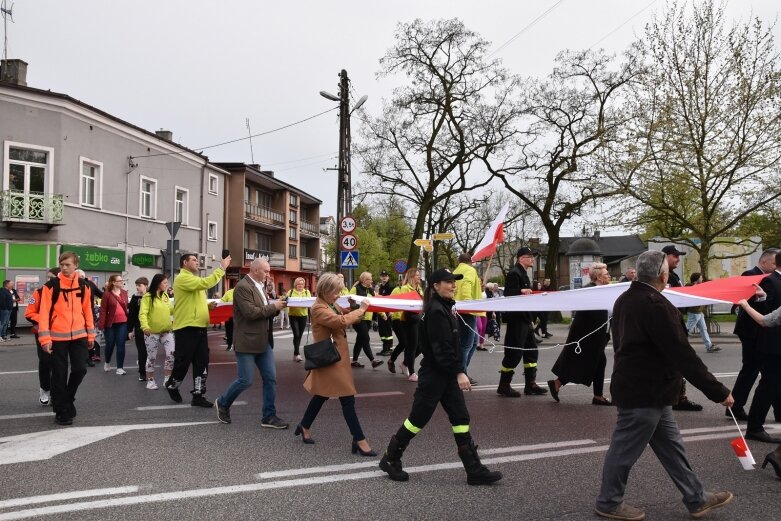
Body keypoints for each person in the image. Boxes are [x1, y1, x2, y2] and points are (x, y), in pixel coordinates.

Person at [594, 250, 734, 521]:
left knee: (673, 449)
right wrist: (718, 391)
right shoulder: (655, 304)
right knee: (623, 451)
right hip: (645, 391)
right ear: (663, 274)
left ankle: (696, 498)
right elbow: (682, 354)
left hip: (647, 389)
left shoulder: (625, 298)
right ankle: (609, 502)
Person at [379, 268, 502, 486]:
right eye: (448, 282)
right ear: (436, 286)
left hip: (445, 376)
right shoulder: (436, 311)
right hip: (435, 376)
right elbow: (442, 349)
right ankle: (390, 458)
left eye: (454, 282)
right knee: (417, 420)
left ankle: (473, 470)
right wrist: (459, 372)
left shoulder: (444, 307)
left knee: (461, 419)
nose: (453, 285)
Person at [294, 273, 376, 455]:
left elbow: (344, 316)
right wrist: (361, 310)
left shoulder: (328, 304)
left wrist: (354, 309)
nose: (338, 295)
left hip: (333, 357)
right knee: (347, 398)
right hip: (331, 359)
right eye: (336, 292)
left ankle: (304, 425)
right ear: (326, 290)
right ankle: (359, 439)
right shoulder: (318, 308)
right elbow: (340, 321)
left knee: (322, 394)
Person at [215, 258, 289, 428]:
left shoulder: (260, 287)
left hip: (264, 341)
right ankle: (223, 403)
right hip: (247, 341)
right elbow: (250, 313)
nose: (268, 274)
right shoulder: (242, 287)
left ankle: (269, 416)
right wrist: (274, 307)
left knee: (270, 379)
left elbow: (263, 312)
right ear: (255, 270)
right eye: (266, 271)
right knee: (245, 380)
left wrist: (278, 307)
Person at [37, 251, 96, 426]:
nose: (64, 267)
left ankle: (67, 399)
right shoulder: (51, 286)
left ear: (76, 265)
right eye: (62, 264)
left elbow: (88, 311)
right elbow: (44, 314)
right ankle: (61, 411)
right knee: (59, 375)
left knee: (80, 370)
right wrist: (45, 340)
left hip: (79, 336)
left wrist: (90, 334)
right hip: (57, 337)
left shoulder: (84, 286)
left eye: (67, 264)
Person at [165, 252, 230, 407]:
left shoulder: (193, 279)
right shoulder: (183, 278)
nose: (197, 262)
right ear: (185, 263)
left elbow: (192, 301)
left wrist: (207, 306)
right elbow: (207, 283)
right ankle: (172, 385)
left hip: (199, 326)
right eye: (194, 260)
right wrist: (221, 268)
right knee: (183, 361)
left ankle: (198, 395)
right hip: (186, 327)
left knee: (202, 361)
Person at [548, 262, 613, 405]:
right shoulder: (590, 291)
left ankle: (596, 395)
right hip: (589, 335)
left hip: (597, 334)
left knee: (596, 362)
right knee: (584, 362)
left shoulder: (602, 290)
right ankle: (596, 396)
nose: (609, 275)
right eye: (606, 273)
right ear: (599, 277)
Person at [731, 248, 781, 422]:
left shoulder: (768, 278)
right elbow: (749, 303)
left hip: (762, 329)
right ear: (764, 261)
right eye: (774, 263)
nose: (775, 267)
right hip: (752, 331)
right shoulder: (751, 275)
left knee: (768, 374)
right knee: (752, 370)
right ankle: (735, 407)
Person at [496, 247, 547, 397]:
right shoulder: (514, 273)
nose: (532, 259)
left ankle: (530, 385)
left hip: (525, 319)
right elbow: (508, 294)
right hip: (517, 320)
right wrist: (521, 292)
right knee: (514, 353)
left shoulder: (523, 273)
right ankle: (504, 385)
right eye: (528, 256)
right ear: (520, 259)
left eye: (532, 256)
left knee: (531, 351)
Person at [662, 245, 703, 412]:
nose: (678, 259)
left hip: (676, 320)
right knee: (678, 360)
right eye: (674, 256)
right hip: (669, 324)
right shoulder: (663, 277)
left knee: (676, 363)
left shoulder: (673, 275)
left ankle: (678, 397)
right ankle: (678, 398)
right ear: (665, 257)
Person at [24, 267, 59, 405]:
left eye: (52, 277)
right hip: (42, 332)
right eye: (48, 277)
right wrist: (44, 319)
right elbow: (29, 313)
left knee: (59, 363)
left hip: (60, 333)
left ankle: (56, 392)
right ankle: (45, 388)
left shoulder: (64, 293)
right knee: (45, 361)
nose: (49, 280)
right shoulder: (39, 292)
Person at [139, 274, 175, 390]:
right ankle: (150, 380)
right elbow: (143, 313)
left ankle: (167, 379)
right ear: (158, 283)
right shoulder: (148, 297)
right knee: (152, 357)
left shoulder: (165, 295)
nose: (167, 284)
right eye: (165, 282)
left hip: (166, 331)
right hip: (151, 332)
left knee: (171, 354)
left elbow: (171, 310)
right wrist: (145, 327)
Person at [453, 253, 484, 381]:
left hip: (460, 310)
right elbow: (466, 286)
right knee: (466, 345)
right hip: (467, 311)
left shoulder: (456, 270)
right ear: (470, 261)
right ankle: (461, 373)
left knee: (471, 342)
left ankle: (462, 370)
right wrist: (467, 303)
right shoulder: (470, 270)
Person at [349, 272, 383, 369]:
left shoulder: (371, 290)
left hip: (368, 319)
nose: (372, 281)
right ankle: (372, 360)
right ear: (364, 280)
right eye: (370, 279)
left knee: (360, 340)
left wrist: (382, 313)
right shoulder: (356, 289)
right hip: (358, 318)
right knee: (366, 338)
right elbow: (349, 303)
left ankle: (354, 361)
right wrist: (357, 308)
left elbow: (375, 303)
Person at [98, 274, 130, 375]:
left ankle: (120, 368)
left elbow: (127, 307)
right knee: (110, 344)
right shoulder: (107, 294)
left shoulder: (124, 293)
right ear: (113, 282)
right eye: (119, 281)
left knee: (121, 344)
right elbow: (103, 310)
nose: (122, 282)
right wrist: (101, 325)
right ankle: (107, 362)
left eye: (122, 280)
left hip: (123, 323)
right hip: (110, 324)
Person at [397, 268, 425, 382]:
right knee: (412, 345)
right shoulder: (404, 288)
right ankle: (412, 372)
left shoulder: (419, 289)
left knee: (421, 345)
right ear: (411, 276)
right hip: (408, 319)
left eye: (419, 275)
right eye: (417, 275)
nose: (419, 277)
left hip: (418, 319)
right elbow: (399, 303)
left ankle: (404, 363)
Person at [685, 273, 720, 354]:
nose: (702, 279)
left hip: (699, 312)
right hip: (694, 312)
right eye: (701, 278)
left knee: (703, 330)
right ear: (697, 279)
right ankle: (679, 345)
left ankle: (709, 346)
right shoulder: (690, 287)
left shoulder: (700, 286)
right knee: (687, 330)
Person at [76, 269, 103, 365]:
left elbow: (101, 294)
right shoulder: (73, 285)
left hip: (88, 314)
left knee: (89, 337)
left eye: (79, 277)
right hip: (76, 315)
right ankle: (79, 358)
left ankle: (89, 358)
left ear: (83, 277)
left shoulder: (90, 284)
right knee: (78, 338)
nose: (78, 279)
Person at [127, 277, 149, 381]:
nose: (137, 287)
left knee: (150, 351)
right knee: (142, 350)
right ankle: (142, 372)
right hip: (139, 327)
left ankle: (148, 369)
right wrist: (130, 330)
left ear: (146, 285)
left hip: (151, 327)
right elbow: (131, 315)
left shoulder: (151, 296)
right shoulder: (135, 298)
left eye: (139, 285)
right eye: (136, 285)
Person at [287, 277, 311, 362]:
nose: (300, 286)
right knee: (296, 334)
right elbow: (286, 301)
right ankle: (297, 354)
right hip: (293, 315)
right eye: (298, 284)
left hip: (303, 316)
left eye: (302, 284)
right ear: (295, 284)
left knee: (299, 335)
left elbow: (309, 303)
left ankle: (295, 353)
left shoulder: (307, 292)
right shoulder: (291, 292)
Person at [375, 270, 395, 356]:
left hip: (387, 311)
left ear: (388, 277)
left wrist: (391, 310)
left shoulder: (390, 287)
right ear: (380, 277)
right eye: (382, 276)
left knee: (387, 330)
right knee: (382, 331)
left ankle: (389, 348)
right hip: (381, 311)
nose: (384, 277)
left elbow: (393, 299)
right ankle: (384, 348)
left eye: (385, 276)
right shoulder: (381, 287)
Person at [221, 286, 235, 351]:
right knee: (229, 331)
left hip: (240, 317)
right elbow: (222, 301)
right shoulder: (229, 292)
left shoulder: (245, 292)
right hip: (229, 316)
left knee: (240, 331)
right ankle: (229, 345)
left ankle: (238, 346)